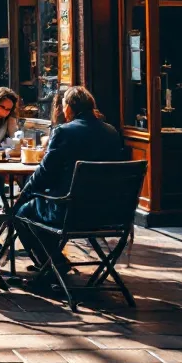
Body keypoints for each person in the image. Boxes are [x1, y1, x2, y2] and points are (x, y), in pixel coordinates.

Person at [16, 86, 126, 274]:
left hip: (71, 212)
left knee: (23, 212)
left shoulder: (64, 132)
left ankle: (52, 263)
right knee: (41, 207)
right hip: (110, 212)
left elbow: (45, 172)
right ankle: (54, 262)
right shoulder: (111, 132)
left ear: (70, 107)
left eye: (64, 105)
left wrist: (24, 194)